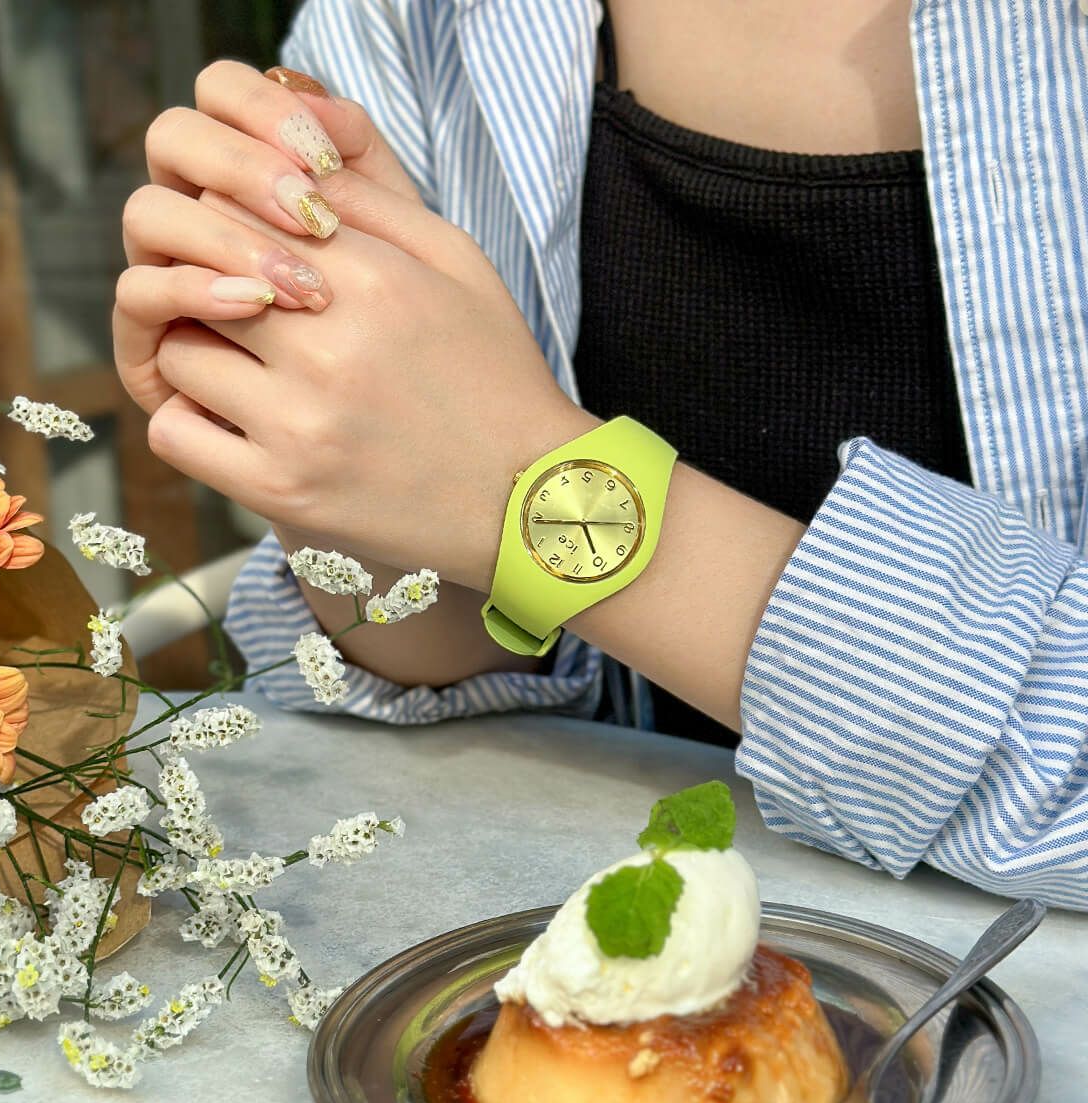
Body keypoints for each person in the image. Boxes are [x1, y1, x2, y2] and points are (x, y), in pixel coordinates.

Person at [113, 0, 1088, 910]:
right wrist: (321, 431)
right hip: (570, 921)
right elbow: (451, 664)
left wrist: (523, 480)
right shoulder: (412, 20)